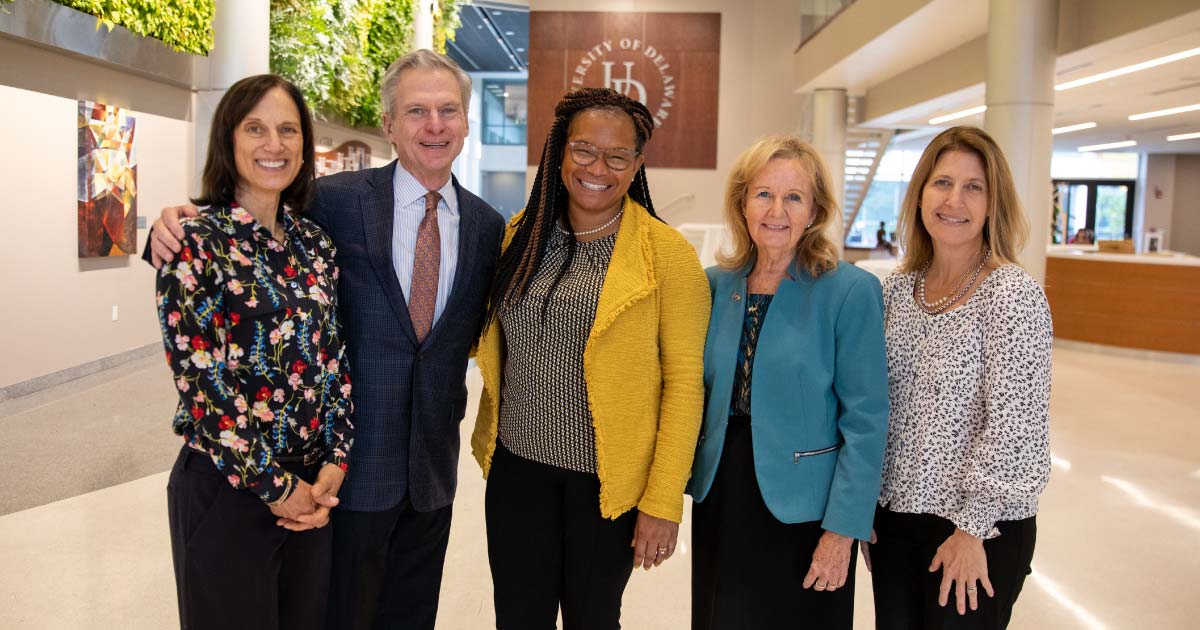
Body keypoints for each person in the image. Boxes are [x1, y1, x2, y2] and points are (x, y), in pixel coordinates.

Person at [146, 50, 505, 630]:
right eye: (416, 111)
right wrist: (166, 229)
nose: (434, 126)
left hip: (424, 477)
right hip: (340, 485)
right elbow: (243, 215)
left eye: (447, 110)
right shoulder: (334, 203)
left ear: (466, 121)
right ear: (389, 124)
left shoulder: (489, 226)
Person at [469, 87, 710, 629]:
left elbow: (686, 386)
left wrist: (663, 500)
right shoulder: (522, 235)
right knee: (517, 617)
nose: (597, 166)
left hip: (605, 487)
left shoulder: (667, 255)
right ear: (559, 153)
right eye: (583, 150)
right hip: (518, 473)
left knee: (594, 619)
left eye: (617, 155)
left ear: (636, 164)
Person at [157, 73, 353, 630]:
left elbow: (333, 358)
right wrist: (275, 487)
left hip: (312, 490)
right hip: (228, 486)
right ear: (229, 140)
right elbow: (201, 384)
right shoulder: (196, 242)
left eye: (289, 130)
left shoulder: (315, 244)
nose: (275, 144)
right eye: (256, 129)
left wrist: (336, 457)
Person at [687, 136, 889, 629]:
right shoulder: (715, 284)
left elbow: (867, 421)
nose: (777, 210)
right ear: (742, 202)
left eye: (793, 197)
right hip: (723, 491)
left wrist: (843, 530)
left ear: (814, 210)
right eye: (763, 194)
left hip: (807, 508)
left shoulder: (849, 291)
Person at [867, 126, 1052, 629]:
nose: (955, 199)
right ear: (920, 194)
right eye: (942, 182)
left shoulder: (1012, 295)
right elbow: (876, 409)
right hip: (895, 523)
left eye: (974, 187)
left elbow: (1018, 430)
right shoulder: (896, 292)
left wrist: (972, 531)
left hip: (976, 530)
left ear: (995, 203)